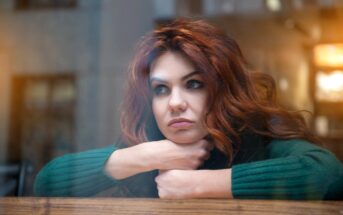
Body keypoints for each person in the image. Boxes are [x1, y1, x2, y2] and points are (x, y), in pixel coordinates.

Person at [34, 19, 343, 199]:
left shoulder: (256, 137)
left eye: (194, 84)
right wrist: (149, 155)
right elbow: (47, 182)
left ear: (222, 89)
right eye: (161, 89)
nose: (175, 102)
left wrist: (201, 184)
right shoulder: (147, 143)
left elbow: (330, 174)